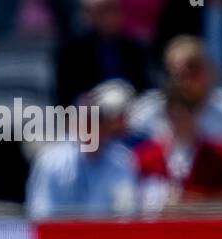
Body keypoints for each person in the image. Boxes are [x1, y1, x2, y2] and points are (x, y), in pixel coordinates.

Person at [26, 80, 141, 219]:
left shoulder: (122, 160)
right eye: (86, 120)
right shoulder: (50, 160)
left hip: (107, 237)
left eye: (97, 120)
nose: (90, 127)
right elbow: (41, 213)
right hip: (60, 237)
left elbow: (127, 212)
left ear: (106, 124)